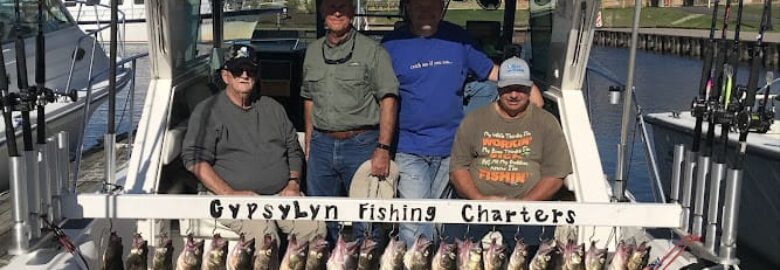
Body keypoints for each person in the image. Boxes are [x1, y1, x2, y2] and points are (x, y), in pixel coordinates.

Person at [381, 0, 544, 245]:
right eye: (420, 5)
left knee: (436, 221)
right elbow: (381, 94)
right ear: (408, 8)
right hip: (409, 148)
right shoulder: (391, 46)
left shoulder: (458, 39)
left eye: (433, 5)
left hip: (451, 149)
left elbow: (490, 71)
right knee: (414, 223)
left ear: (441, 8)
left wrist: (524, 87)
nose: (427, 11)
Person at [181, 44, 324, 247]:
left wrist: (293, 183)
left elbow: (293, 148)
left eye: (251, 70)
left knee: (315, 229)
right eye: (238, 70)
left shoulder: (273, 108)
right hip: (232, 199)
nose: (245, 75)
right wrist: (229, 193)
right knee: (264, 236)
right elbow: (194, 160)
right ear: (225, 76)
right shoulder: (208, 111)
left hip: (281, 194)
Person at [301, 0, 399, 243]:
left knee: (366, 223)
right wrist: (310, 140)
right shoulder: (312, 52)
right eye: (331, 6)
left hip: (362, 144)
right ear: (322, 12)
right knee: (320, 222)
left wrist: (383, 148)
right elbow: (308, 98)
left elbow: (388, 99)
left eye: (343, 7)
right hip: (321, 144)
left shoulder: (373, 51)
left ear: (352, 11)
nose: (337, 12)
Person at [450, 56, 572, 202]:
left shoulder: (547, 122)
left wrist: (524, 204)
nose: (513, 95)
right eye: (508, 88)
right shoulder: (474, 120)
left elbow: (556, 174)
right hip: (478, 209)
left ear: (529, 89)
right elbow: (458, 168)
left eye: (520, 89)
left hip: (529, 211)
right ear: (499, 88)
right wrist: (478, 199)